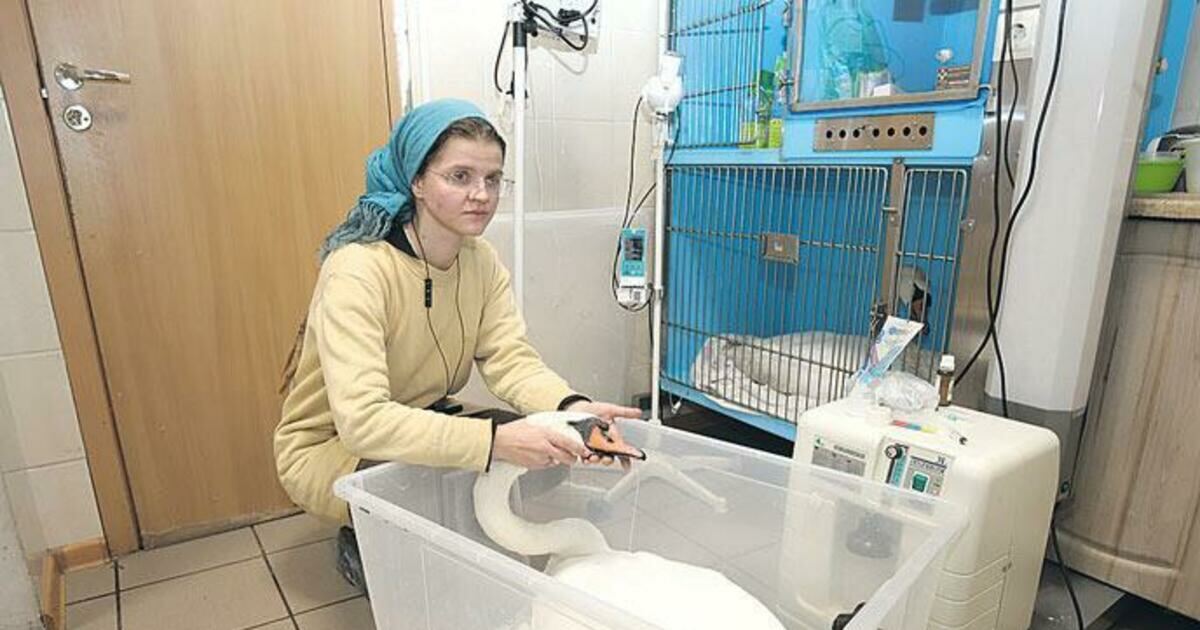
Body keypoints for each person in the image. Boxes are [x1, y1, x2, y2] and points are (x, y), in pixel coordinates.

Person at [274, 99, 640, 589]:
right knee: (442, 479)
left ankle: (441, 534)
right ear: (417, 182)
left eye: (493, 179)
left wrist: (572, 409)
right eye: (460, 176)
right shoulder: (358, 270)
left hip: (423, 412)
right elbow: (362, 423)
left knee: (550, 456)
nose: (481, 195)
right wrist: (493, 443)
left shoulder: (480, 261)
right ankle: (364, 535)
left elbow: (510, 359)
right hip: (331, 445)